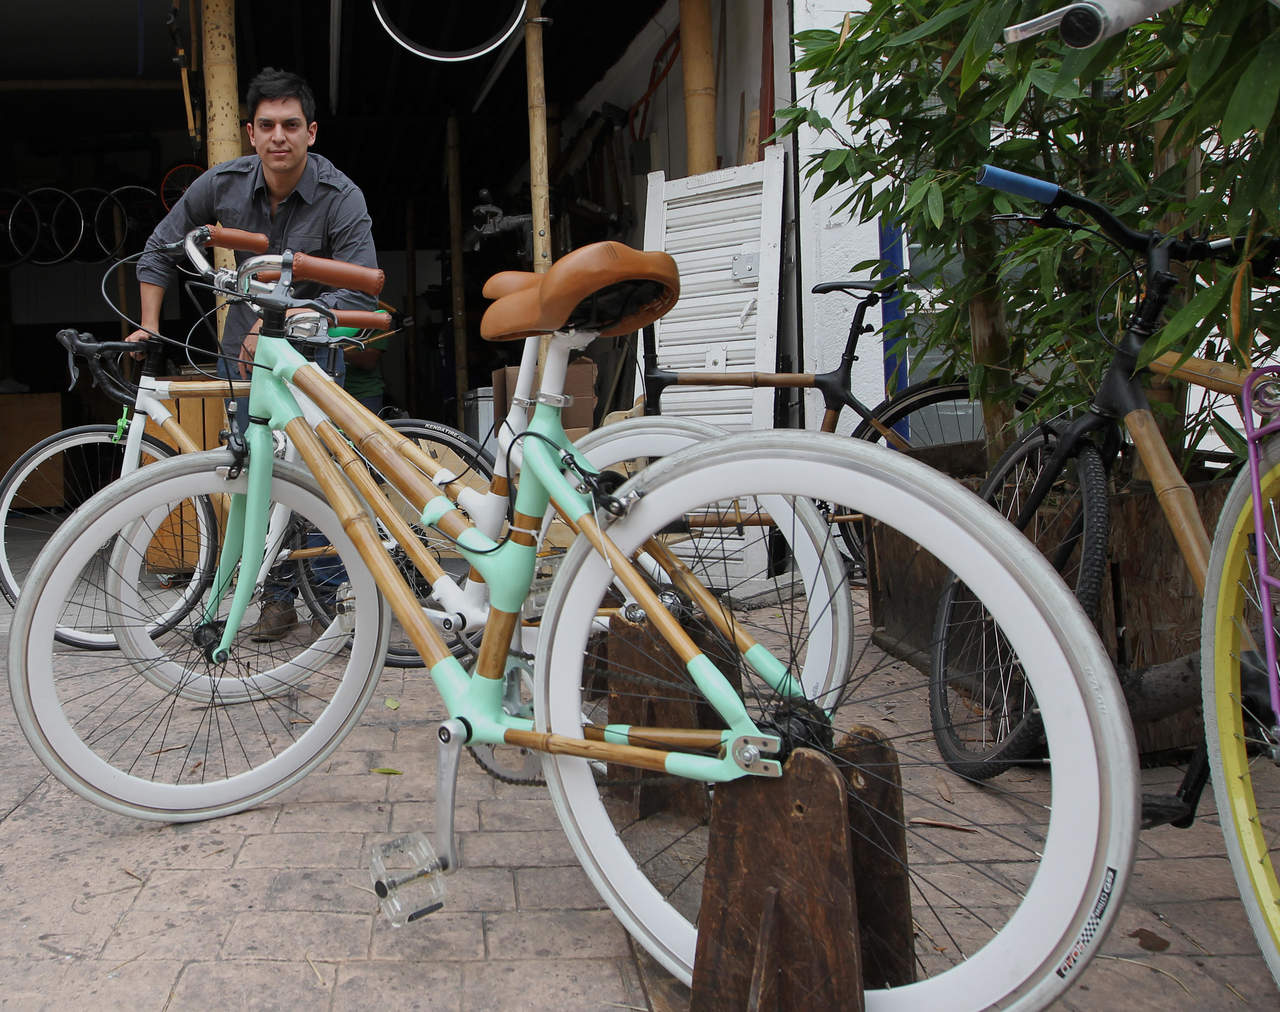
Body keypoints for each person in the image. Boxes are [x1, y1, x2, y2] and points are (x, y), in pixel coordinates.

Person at [130, 67, 379, 641]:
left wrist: (284, 319)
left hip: (314, 356)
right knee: (253, 473)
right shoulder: (222, 185)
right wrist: (148, 326)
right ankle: (275, 598)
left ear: (311, 131)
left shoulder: (341, 196)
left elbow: (362, 288)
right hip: (243, 360)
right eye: (267, 125)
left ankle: (332, 598)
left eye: (291, 125)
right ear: (251, 132)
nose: (278, 137)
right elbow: (159, 248)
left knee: (319, 478)